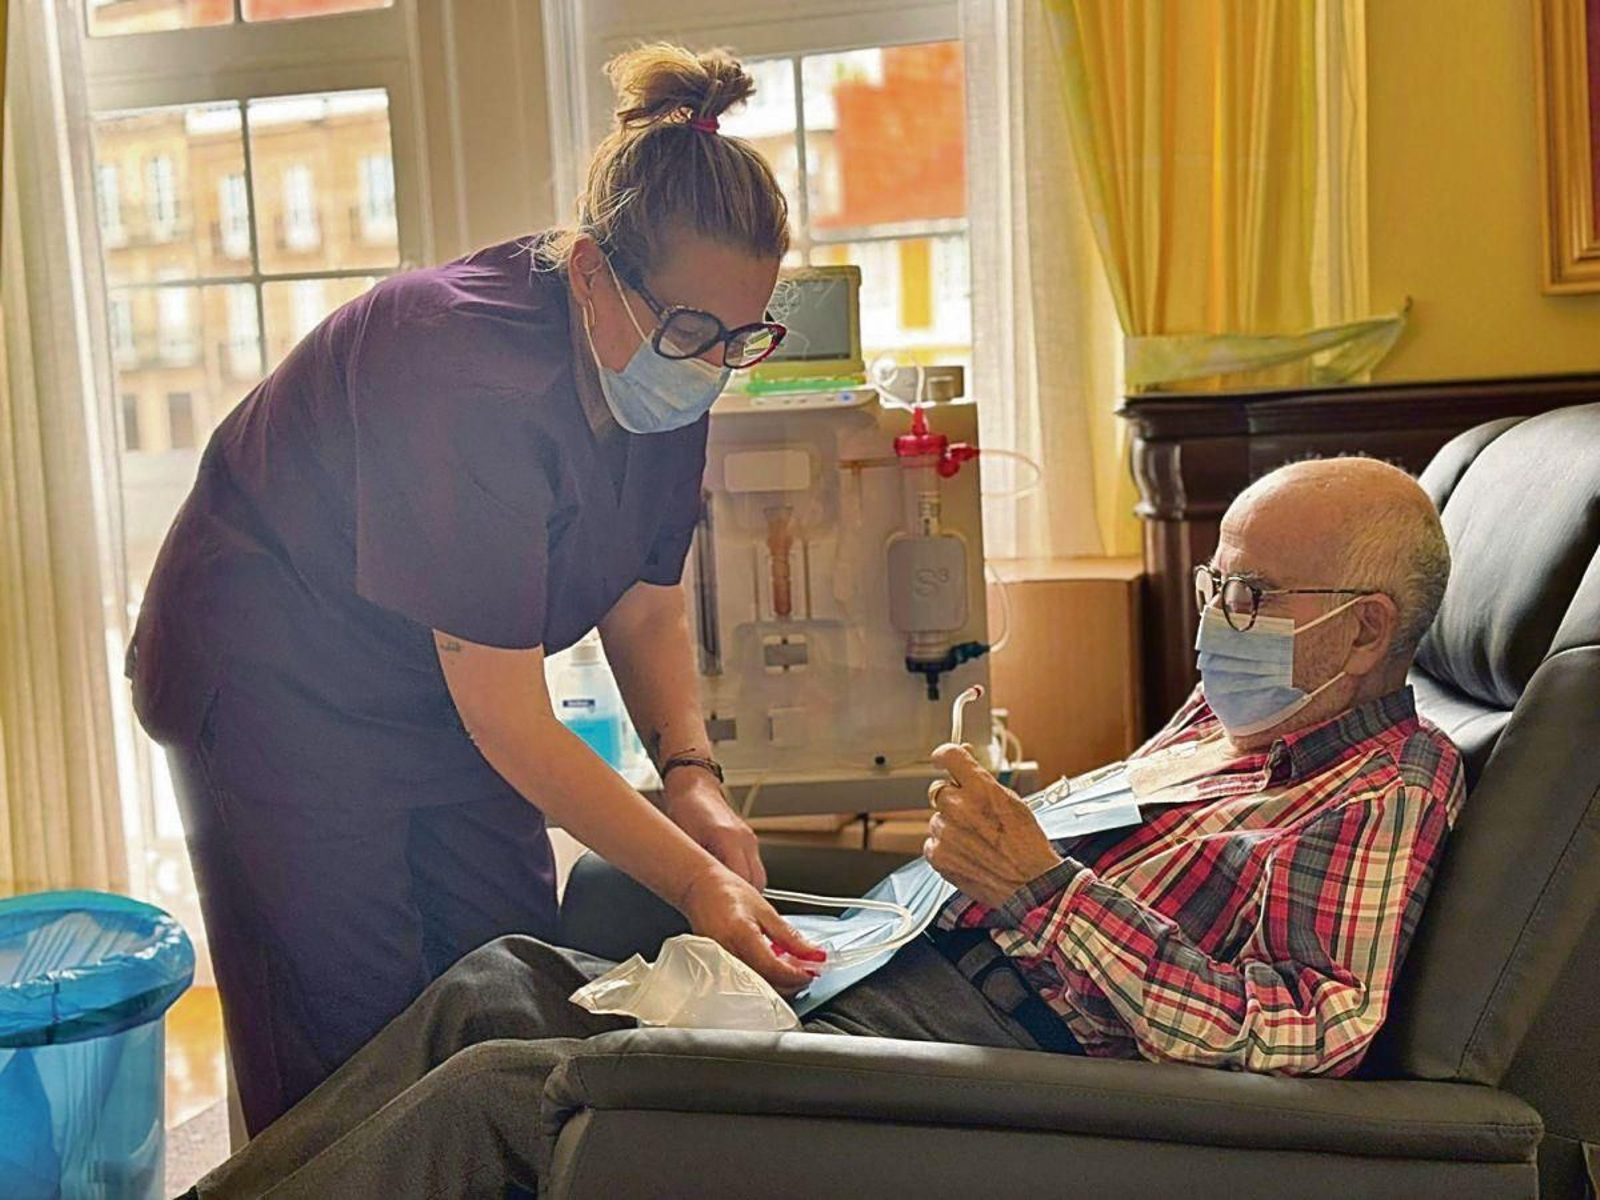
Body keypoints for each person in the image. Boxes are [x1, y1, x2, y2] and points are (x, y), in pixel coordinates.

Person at [182, 455, 1464, 1198]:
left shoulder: (1379, 788)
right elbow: (1131, 857)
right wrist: (1004, 832)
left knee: (512, 1092)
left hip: (987, 1065)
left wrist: (1039, 894)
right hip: (891, 960)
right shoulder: (1237, 720)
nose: (1214, 617)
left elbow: (1310, 1036)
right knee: (497, 981)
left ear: (1359, 629)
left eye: (1247, 591)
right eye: (1210, 582)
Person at [128, 44, 825, 1135]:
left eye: (745, 337)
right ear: (593, 271)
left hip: (430, 689)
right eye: (694, 332)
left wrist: (689, 775)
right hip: (274, 682)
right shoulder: (457, 365)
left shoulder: (669, 374)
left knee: (508, 980)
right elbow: (507, 719)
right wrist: (693, 882)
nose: (713, 367)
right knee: (348, 1035)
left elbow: (642, 604)